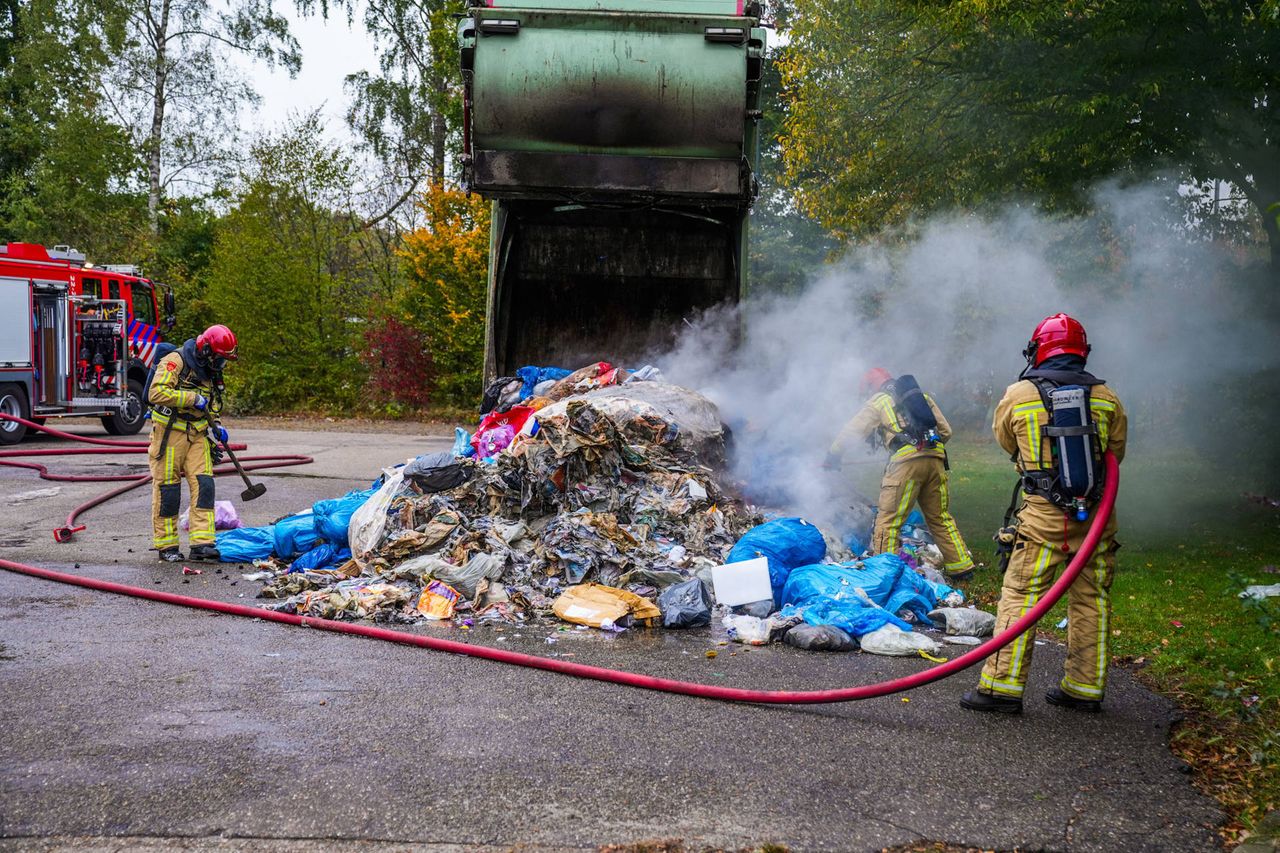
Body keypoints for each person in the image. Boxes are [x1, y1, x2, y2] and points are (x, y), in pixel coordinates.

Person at [962, 313, 1127, 714]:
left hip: (1042, 516)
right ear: (1082, 351)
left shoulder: (1019, 394)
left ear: (1038, 350)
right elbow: (1116, 454)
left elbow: (1005, 439)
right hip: (1097, 520)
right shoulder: (1107, 397)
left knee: (1021, 595)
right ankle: (1084, 689)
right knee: (1092, 599)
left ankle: (1002, 688)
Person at [827, 368, 976, 580]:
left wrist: (832, 455)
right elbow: (946, 432)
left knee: (888, 520)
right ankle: (962, 567)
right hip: (936, 462)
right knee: (939, 517)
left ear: (872, 386)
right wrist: (925, 450)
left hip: (906, 465)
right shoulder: (921, 397)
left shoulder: (879, 400)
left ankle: (883, 573)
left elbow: (853, 430)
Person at [147, 324, 237, 562]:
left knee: (204, 486)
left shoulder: (211, 369)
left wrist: (217, 424)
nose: (221, 366)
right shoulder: (175, 360)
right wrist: (190, 397)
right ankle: (167, 546)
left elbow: (213, 403)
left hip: (197, 434)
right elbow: (155, 393)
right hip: (170, 434)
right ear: (206, 350)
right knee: (168, 489)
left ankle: (202, 544)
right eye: (219, 359)